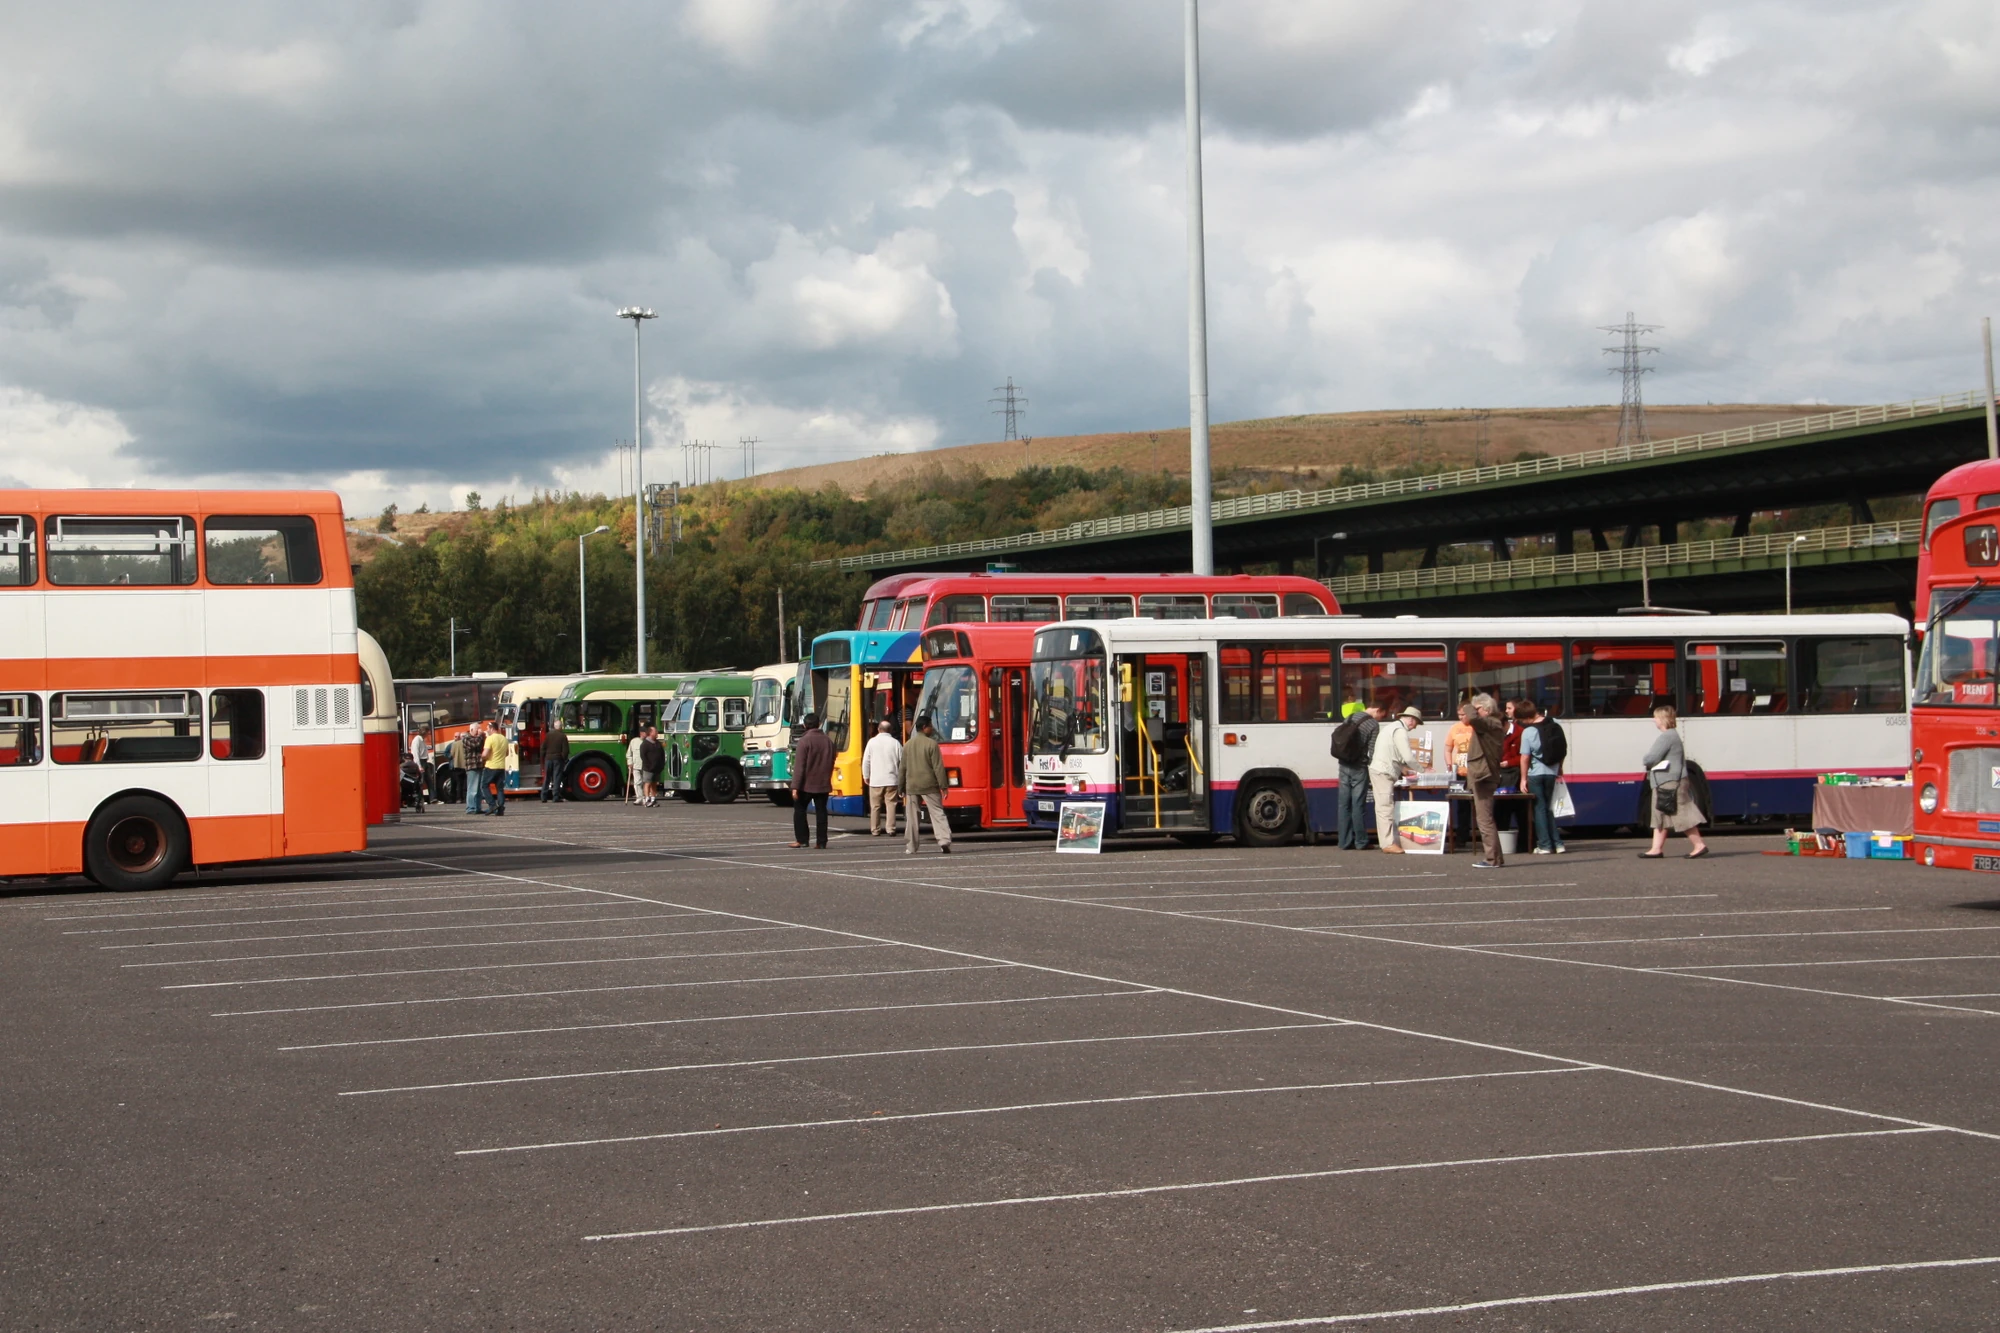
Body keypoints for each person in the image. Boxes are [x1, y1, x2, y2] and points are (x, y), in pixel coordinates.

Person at [1640, 704, 1709, 858]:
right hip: (1667, 781)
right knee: (1660, 814)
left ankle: (1699, 845)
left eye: (1656, 717)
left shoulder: (1667, 737)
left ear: (1663, 719)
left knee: (1680, 813)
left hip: (1670, 781)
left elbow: (1650, 758)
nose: (1654, 720)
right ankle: (1656, 849)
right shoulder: (1672, 735)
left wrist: (1645, 759)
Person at [1516, 699, 1567, 855]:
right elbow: (1562, 749)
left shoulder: (1528, 732)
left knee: (1539, 809)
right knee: (1549, 808)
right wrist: (1560, 767)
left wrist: (1523, 778)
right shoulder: (1555, 724)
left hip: (1535, 773)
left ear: (1526, 717)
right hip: (1552, 772)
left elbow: (1525, 757)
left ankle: (1544, 845)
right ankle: (1558, 844)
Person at [1462, 694, 1506, 868]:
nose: (1474, 712)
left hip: (1484, 775)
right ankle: (1496, 858)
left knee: (1484, 820)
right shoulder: (1491, 724)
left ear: (1487, 710)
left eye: (1478, 708)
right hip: (1484, 774)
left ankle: (1492, 859)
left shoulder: (1491, 723)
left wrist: (1467, 704)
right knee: (1486, 818)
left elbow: (1472, 718)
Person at [1369, 705, 1421, 852]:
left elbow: (1395, 755)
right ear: (1411, 720)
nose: (1415, 727)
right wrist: (1423, 770)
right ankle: (1387, 844)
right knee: (1385, 807)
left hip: (1380, 770)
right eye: (1417, 723)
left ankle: (1388, 842)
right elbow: (1408, 757)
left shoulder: (1392, 728)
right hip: (1383, 772)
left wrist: (1404, 770)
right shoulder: (1400, 731)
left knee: (1384, 807)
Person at [901, 712, 952, 856]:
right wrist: (944, 786)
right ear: (924, 727)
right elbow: (938, 767)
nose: (932, 729)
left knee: (912, 817)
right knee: (937, 813)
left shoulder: (907, 745)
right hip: (930, 785)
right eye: (930, 726)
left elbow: (902, 768)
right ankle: (943, 841)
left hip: (911, 785)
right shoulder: (932, 744)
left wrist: (900, 787)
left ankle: (911, 846)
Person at [1336, 704, 1381, 849]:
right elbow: (1373, 752)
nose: (1381, 719)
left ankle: (1344, 842)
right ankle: (1360, 841)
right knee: (1357, 805)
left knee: (1343, 804)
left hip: (1343, 765)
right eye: (1382, 715)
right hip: (1359, 768)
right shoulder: (1374, 725)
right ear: (1378, 710)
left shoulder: (1350, 717)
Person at [790, 711, 835, 849]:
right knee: (821, 813)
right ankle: (821, 842)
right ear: (819, 724)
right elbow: (832, 760)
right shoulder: (828, 741)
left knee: (800, 810)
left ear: (804, 725)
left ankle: (802, 839)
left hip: (806, 784)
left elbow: (800, 766)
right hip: (823, 783)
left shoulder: (804, 741)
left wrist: (795, 786)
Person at [861, 719, 903, 836]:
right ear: (890, 730)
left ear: (878, 729)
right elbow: (902, 762)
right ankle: (891, 828)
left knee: (875, 806)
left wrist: (866, 775)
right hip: (892, 780)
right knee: (891, 805)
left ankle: (875, 829)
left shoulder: (871, 742)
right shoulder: (895, 743)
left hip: (876, 780)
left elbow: (866, 761)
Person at [479, 720, 509, 816]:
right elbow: (507, 753)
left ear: (492, 728)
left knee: (484, 785)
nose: (486, 730)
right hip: (501, 766)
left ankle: (492, 805)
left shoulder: (490, 739)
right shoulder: (504, 738)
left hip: (491, 766)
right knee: (499, 788)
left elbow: (485, 753)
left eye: (487, 728)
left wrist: (481, 757)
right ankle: (500, 808)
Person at [540, 718, 570, 802]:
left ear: (554, 726)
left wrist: (543, 758)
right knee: (556, 777)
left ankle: (543, 796)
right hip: (557, 759)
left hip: (548, 758)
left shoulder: (548, 735)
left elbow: (543, 748)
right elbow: (565, 750)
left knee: (547, 778)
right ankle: (555, 797)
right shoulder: (562, 736)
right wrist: (563, 758)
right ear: (561, 727)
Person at [457, 724, 484, 814]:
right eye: (477, 729)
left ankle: (477, 807)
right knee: (472, 788)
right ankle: (470, 808)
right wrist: (481, 735)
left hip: (479, 765)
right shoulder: (466, 738)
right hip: (472, 766)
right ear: (471, 729)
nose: (478, 731)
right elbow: (474, 744)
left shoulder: (479, 738)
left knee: (479, 789)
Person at [638, 726, 666, 808]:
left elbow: (662, 754)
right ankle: (647, 799)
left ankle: (653, 798)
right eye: (655, 732)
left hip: (657, 768)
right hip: (648, 768)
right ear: (650, 733)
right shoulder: (645, 744)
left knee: (654, 783)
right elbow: (643, 756)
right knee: (647, 783)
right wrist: (648, 765)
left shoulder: (658, 743)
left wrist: (662, 765)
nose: (657, 733)